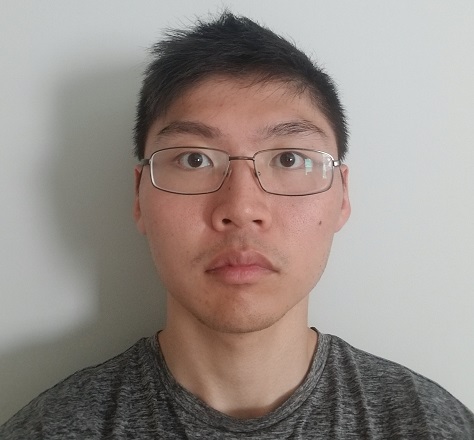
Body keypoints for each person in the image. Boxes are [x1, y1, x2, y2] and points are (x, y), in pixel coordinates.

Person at [1, 11, 473, 440]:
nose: (242, 208)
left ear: (342, 195)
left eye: (289, 159)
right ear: (140, 196)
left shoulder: (430, 425)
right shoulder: (49, 429)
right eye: (194, 159)